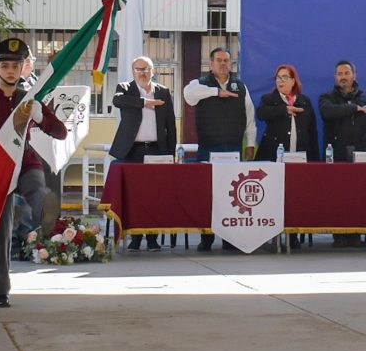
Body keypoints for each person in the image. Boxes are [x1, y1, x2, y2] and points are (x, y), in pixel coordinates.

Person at [0, 38, 67, 307]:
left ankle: (45, 209)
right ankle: (1, 287)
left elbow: (60, 132)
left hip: (26, 161)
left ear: (23, 69)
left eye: (15, 65)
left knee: (35, 186)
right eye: (4, 65)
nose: (10, 70)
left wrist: (41, 115)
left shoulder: (28, 99)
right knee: (2, 231)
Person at [183, 47, 256, 251]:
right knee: (207, 195)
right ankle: (206, 238)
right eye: (219, 60)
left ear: (231, 64)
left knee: (231, 196)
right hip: (208, 149)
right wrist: (217, 92)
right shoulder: (200, 84)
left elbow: (250, 118)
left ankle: (230, 239)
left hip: (233, 149)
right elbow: (188, 95)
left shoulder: (241, 87)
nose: (223, 64)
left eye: (227, 60)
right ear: (211, 64)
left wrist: (250, 144)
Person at [109, 56, 177, 252]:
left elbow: (170, 125)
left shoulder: (163, 91)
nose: (142, 72)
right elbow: (117, 101)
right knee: (133, 196)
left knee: (154, 196)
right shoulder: (124, 87)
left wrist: (170, 153)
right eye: (138, 69)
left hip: (157, 150)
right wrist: (144, 102)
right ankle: (135, 238)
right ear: (133, 72)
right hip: (132, 151)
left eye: (146, 69)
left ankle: (153, 238)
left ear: (152, 71)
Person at [319, 60, 366, 248]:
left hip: (361, 155)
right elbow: (328, 113)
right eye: (339, 74)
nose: (343, 76)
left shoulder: (365, 100)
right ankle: (339, 235)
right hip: (335, 155)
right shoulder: (326, 97)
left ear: (354, 76)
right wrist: (353, 109)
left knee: (358, 196)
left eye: (346, 73)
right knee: (336, 196)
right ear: (335, 77)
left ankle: (355, 234)